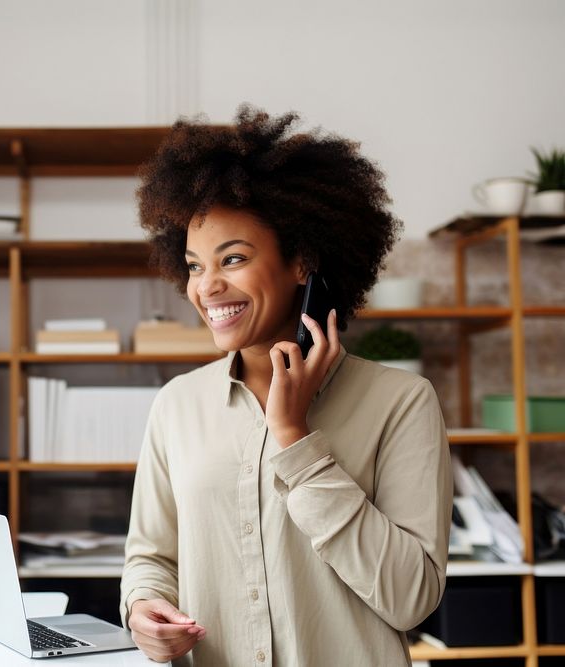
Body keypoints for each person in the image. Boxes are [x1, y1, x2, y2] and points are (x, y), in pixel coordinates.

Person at [120, 105, 452, 666]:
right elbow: (151, 555)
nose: (209, 287)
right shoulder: (178, 405)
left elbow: (411, 599)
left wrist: (295, 439)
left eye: (234, 259)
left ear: (302, 261)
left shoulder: (401, 402)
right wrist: (143, 608)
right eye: (196, 266)